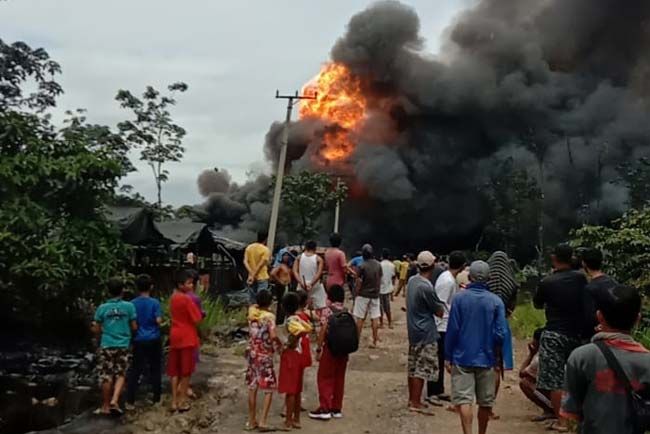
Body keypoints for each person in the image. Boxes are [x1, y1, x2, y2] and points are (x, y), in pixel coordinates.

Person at [562, 284, 650, 434]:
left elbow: (570, 414)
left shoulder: (581, 357)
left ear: (599, 316)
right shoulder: (647, 361)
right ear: (637, 319)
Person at [445, 260, 507, 434]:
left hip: (462, 356)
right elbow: (501, 332)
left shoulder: (459, 299)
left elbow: (453, 329)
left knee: (464, 399)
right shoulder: (496, 301)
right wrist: (497, 354)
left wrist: (448, 355)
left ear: (470, 277)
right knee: (485, 402)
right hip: (487, 358)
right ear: (488, 278)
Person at [533, 244, 587, 430]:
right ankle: (578, 419)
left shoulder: (548, 282)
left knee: (554, 380)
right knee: (577, 377)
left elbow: (538, 304)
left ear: (554, 258)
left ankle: (561, 420)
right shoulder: (581, 278)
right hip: (577, 333)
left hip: (554, 333)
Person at [406, 251, 445, 414]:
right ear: (433, 265)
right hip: (426, 332)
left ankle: (412, 399)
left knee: (413, 366)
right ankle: (416, 402)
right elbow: (439, 312)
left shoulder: (412, 281)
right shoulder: (426, 286)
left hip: (413, 330)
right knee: (421, 369)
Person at [92, 278, 137, 415]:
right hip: (123, 344)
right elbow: (134, 327)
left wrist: (99, 338)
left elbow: (96, 328)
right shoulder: (129, 307)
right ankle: (115, 400)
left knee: (106, 375)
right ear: (122, 290)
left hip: (106, 344)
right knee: (121, 373)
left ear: (108, 291)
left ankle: (105, 405)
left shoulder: (102, 308)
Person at [427, 250, 466, 405]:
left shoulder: (448, 278)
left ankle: (438, 389)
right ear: (463, 267)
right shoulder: (448, 281)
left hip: (444, 324)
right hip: (441, 325)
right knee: (438, 359)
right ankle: (432, 392)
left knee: (442, 358)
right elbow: (440, 303)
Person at [310, 284, 351, 421]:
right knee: (339, 378)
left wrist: (319, 348)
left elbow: (323, 330)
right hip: (344, 350)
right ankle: (336, 408)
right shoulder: (346, 311)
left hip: (330, 348)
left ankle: (325, 408)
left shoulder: (327, 311)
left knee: (325, 377)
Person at [486, 251, 518, 418]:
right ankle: (489, 406)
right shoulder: (510, 281)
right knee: (496, 367)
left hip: (482, 325)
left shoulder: (485, 279)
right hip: (500, 324)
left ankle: (476, 402)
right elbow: (512, 306)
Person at [167, 270, 203, 412]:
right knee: (186, 371)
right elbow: (197, 319)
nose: (191, 285)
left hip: (175, 335)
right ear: (181, 285)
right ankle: (183, 401)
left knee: (174, 370)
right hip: (187, 336)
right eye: (188, 283)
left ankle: (174, 401)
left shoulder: (173, 298)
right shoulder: (186, 299)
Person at [246, 290, 281, 431]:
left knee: (252, 387)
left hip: (252, 354)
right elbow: (272, 335)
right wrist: (279, 342)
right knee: (268, 388)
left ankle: (251, 420)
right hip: (265, 355)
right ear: (270, 302)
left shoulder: (252, 314)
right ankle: (263, 421)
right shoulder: (269, 317)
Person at [126, 274, 162, 409]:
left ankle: (130, 400)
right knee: (155, 368)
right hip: (153, 338)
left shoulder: (132, 304)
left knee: (135, 369)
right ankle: (156, 398)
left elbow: (131, 323)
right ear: (151, 287)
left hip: (138, 339)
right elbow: (158, 321)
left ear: (137, 287)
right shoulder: (155, 303)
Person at [279, 292, 313, 430]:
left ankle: (288, 421)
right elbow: (308, 328)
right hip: (299, 355)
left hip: (290, 356)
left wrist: (290, 342)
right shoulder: (299, 319)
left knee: (290, 390)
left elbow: (298, 332)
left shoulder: (290, 321)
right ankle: (296, 419)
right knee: (297, 389)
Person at [518, 328, 555, 423]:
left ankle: (550, 410)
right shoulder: (555, 353)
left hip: (556, 394)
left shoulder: (539, 359)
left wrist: (531, 354)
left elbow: (521, 373)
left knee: (525, 383)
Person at [581, 247, 617, 339]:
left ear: (584, 263)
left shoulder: (590, 288)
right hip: (614, 331)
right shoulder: (613, 283)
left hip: (596, 336)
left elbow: (589, 317)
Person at [353, 244, 383, 348]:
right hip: (375, 295)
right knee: (374, 318)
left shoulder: (362, 266)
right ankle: (375, 340)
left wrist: (356, 293)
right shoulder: (378, 265)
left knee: (360, 318)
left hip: (363, 294)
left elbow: (358, 282)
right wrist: (377, 291)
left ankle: (356, 341)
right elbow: (379, 280)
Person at [293, 240, 327, 317]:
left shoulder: (299, 257)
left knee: (299, 306)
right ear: (315, 248)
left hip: (302, 285)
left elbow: (295, 271)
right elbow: (319, 273)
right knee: (320, 307)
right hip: (315, 286)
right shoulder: (318, 259)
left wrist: (301, 282)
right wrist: (311, 283)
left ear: (305, 247)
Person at [244, 232, 271, 303]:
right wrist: (253, 275)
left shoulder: (249, 247)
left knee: (252, 300)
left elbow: (245, 262)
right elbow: (260, 265)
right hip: (262, 277)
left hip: (250, 278)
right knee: (262, 299)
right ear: (266, 239)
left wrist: (251, 274)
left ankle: (252, 313)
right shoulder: (265, 250)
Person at [270, 251, 293, 325]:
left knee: (286, 302)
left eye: (287, 256)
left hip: (287, 286)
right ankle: (279, 320)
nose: (286, 257)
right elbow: (272, 273)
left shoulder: (288, 266)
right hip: (282, 286)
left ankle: (282, 320)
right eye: (284, 256)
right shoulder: (280, 266)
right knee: (281, 302)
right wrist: (280, 281)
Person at [379, 248, 396, 329]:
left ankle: (381, 323)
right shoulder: (392, 265)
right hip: (388, 289)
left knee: (380, 307)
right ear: (388, 256)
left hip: (379, 289)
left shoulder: (379, 265)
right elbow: (393, 277)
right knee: (387, 307)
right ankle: (390, 323)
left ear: (382, 256)